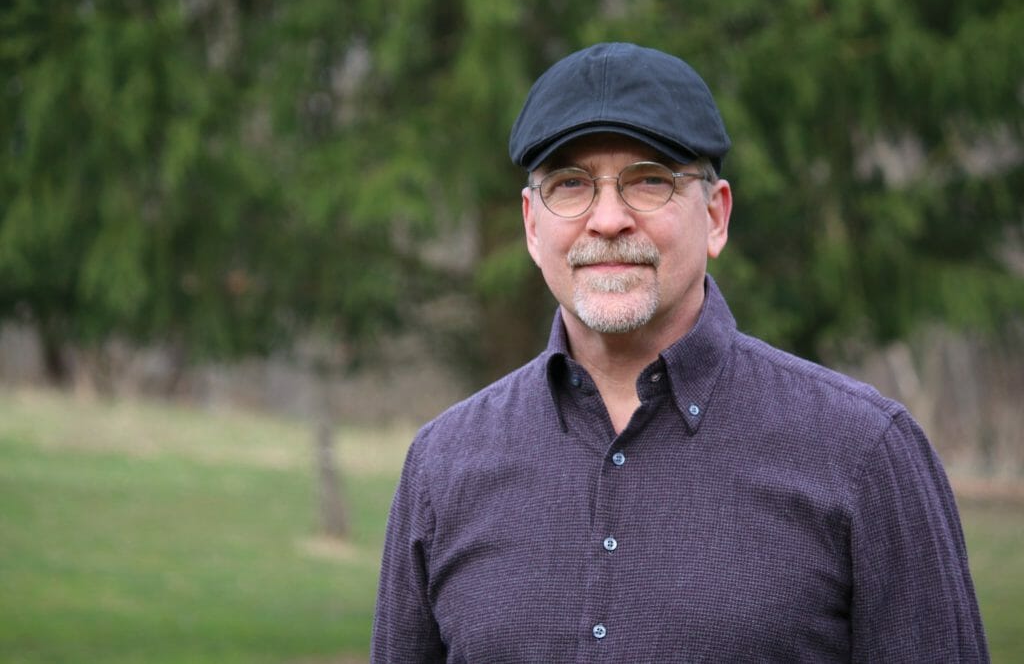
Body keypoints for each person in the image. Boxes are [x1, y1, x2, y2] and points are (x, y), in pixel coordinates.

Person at [371, 42, 988, 662]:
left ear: (716, 217)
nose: (608, 219)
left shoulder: (864, 455)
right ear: (533, 226)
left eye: (649, 181)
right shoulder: (441, 467)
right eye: (570, 184)